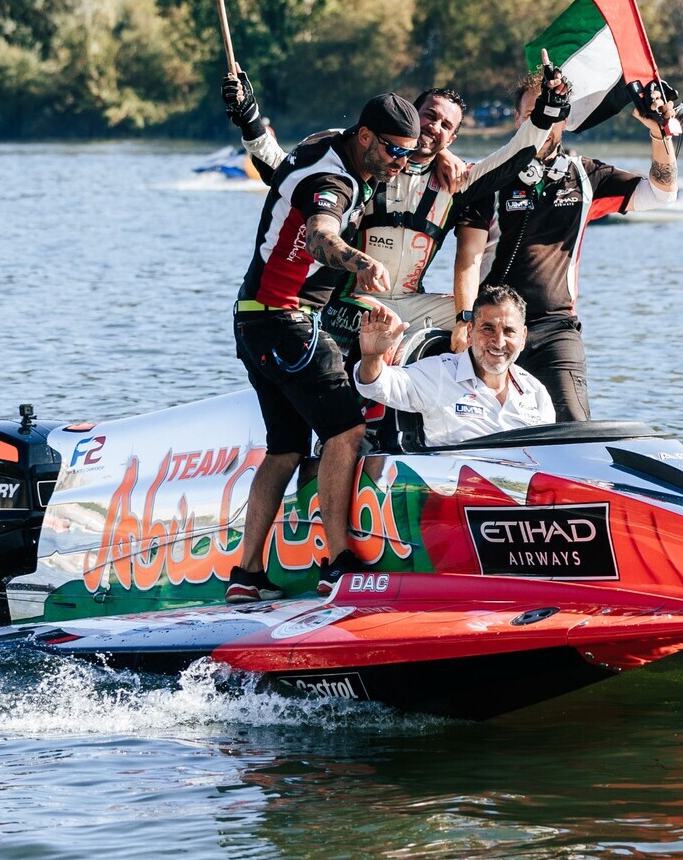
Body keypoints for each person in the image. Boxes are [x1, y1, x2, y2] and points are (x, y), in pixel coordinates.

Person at [228, 92, 422, 603]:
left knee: (285, 449)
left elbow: (275, 165)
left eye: (409, 154)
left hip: (251, 322)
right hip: (286, 322)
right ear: (364, 138)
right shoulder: (332, 184)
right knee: (347, 428)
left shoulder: (321, 145)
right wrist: (361, 262)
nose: (400, 164)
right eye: (394, 152)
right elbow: (319, 236)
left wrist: (250, 121)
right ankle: (337, 563)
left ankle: (246, 576)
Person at [222, 71, 557, 342]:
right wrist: (251, 123)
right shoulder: (371, 162)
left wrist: (547, 113)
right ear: (410, 118)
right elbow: (290, 176)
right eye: (429, 116)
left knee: (494, 322)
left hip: (413, 300)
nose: (433, 128)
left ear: (452, 138)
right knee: (392, 329)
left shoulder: (458, 180)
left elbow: (513, 156)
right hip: (349, 302)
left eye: (445, 126)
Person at [448, 76, 682, 422]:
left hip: (555, 328)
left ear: (566, 120)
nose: (543, 119)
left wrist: (658, 134)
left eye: (552, 112)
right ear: (518, 119)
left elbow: (662, 191)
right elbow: (468, 258)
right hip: (491, 326)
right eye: (532, 112)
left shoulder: (585, 174)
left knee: (572, 422)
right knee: (482, 427)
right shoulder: (489, 175)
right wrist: (465, 320)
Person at [349, 286, 552, 447]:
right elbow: (375, 385)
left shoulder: (534, 391)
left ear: (523, 337)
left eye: (508, 331)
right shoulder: (438, 374)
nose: (498, 342)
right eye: (487, 329)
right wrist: (372, 356)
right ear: (470, 331)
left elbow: (547, 454)